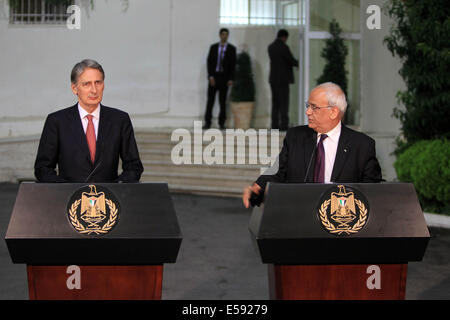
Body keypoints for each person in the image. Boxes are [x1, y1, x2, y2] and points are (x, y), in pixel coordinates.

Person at [243, 82, 382, 208]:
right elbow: (278, 172)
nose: (307, 112)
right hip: (299, 218)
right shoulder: (296, 137)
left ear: (333, 112)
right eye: (308, 106)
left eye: (314, 107)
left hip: (340, 224)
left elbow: (371, 192)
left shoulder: (362, 145)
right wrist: (257, 187)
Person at [34, 59, 143, 183]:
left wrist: (116, 188)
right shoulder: (56, 122)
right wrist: (66, 190)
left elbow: (134, 167)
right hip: (69, 199)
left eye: (98, 82)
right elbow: (42, 169)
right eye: (87, 84)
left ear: (104, 85)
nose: (94, 90)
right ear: (74, 88)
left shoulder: (119, 120)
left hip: (108, 198)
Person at [203, 28, 237, 130]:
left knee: (222, 102)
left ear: (228, 36)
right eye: (223, 34)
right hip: (214, 77)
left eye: (226, 35)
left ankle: (221, 123)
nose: (224, 36)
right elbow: (209, 62)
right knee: (210, 101)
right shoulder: (213, 47)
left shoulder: (231, 49)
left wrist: (231, 78)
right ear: (219, 35)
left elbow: (233, 65)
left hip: (224, 78)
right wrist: (211, 77)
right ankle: (207, 122)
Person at [268, 29, 299, 131]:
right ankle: (284, 125)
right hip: (283, 79)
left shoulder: (271, 47)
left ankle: (274, 125)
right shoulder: (284, 47)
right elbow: (291, 60)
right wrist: (299, 63)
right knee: (284, 103)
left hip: (273, 79)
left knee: (275, 103)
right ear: (284, 37)